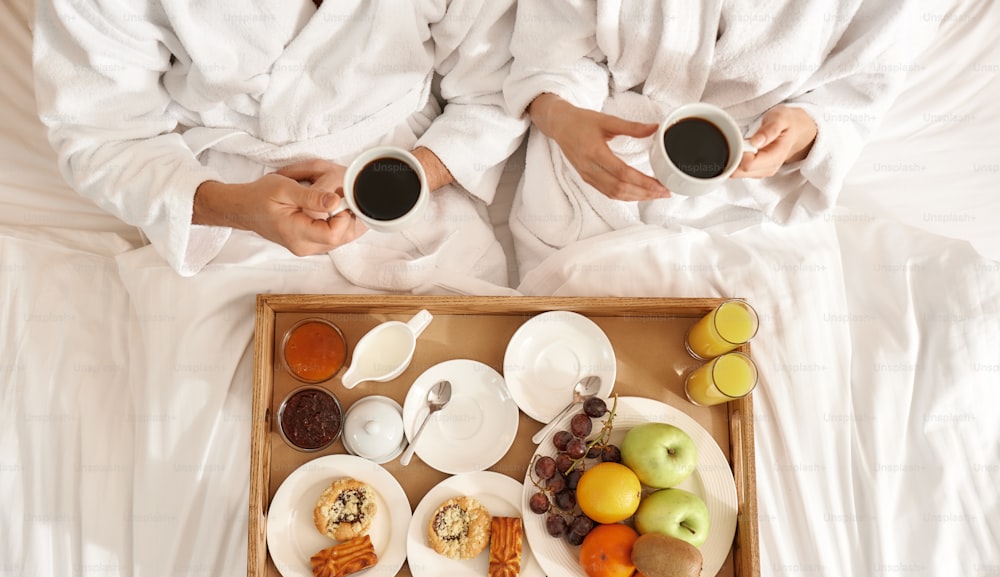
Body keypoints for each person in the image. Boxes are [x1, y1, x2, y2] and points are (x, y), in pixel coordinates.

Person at [34, 0, 527, 290]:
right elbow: (101, 135)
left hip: (410, 170)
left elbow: (497, 88)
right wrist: (230, 207)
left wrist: (400, 177)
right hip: (230, 201)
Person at [502, 0, 919, 280]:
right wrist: (560, 117)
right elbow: (551, 50)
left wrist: (805, 130)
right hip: (594, 159)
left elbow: (858, 93)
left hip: (752, 197)